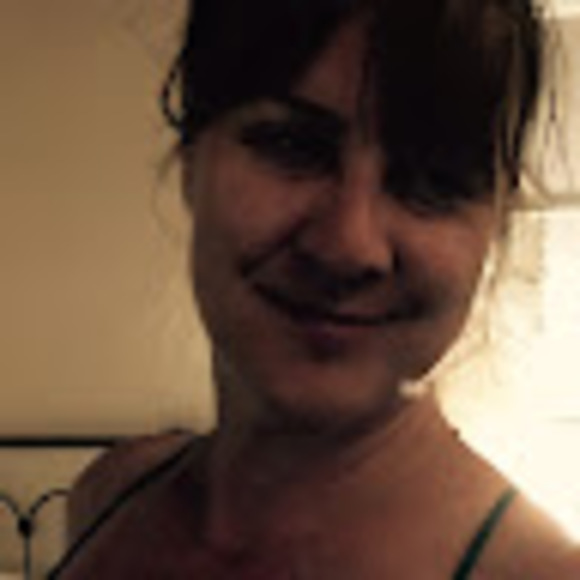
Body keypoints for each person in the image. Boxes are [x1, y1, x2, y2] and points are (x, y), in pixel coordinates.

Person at [50, 0, 580, 578]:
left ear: (496, 227)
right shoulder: (110, 493)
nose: (349, 246)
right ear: (192, 153)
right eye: (293, 145)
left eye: (434, 182)